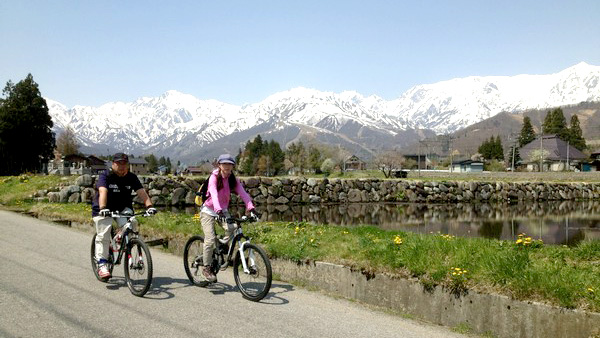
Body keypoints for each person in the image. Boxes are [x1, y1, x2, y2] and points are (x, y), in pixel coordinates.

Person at [92, 152, 156, 279]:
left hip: (123, 208)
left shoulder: (131, 177)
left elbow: (141, 192)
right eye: (118, 163)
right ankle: (102, 264)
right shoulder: (106, 176)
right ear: (113, 164)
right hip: (104, 208)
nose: (122, 166)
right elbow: (102, 191)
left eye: (124, 164)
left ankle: (120, 236)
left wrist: (149, 206)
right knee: (104, 233)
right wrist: (103, 208)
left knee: (132, 223)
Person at [199, 153, 257, 282]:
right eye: (224, 164)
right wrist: (218, 209)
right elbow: (213, 193)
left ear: (232, 167)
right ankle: (206, 268)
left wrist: (251, 208)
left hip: (222, 210)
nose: (227, 167)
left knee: (233, 227)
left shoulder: (232, 179)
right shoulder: (214, 177)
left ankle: (222, 244)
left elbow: (243, 193)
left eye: (229, 164)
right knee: (209, 239)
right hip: (208, 210)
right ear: (219, 165)